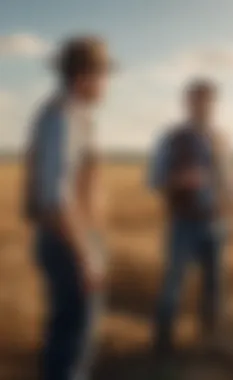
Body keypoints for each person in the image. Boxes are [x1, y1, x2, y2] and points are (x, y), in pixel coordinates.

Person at [24, 36, 113, 380]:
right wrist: (85, 257)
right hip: (68, 245)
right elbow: (58, 199)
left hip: (70, 242)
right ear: (83, 77)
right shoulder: (64, 118)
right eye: (103, 75)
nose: (105, 85)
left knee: (67, 340)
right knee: (72, 350)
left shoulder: (69, 115)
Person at [149, 79, 233, 359]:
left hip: (215, 223)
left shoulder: (221, 138)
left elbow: (229, 181)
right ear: (188, 103)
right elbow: (153, 179)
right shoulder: (172, 138)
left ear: (213, 104)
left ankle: (209, 342)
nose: (203, 105)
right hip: (183, 223)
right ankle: (163, 348)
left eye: (208, 100)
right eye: (197, 100)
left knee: (214, 287)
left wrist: (229, 210)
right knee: (173, 286)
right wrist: (178, 180)